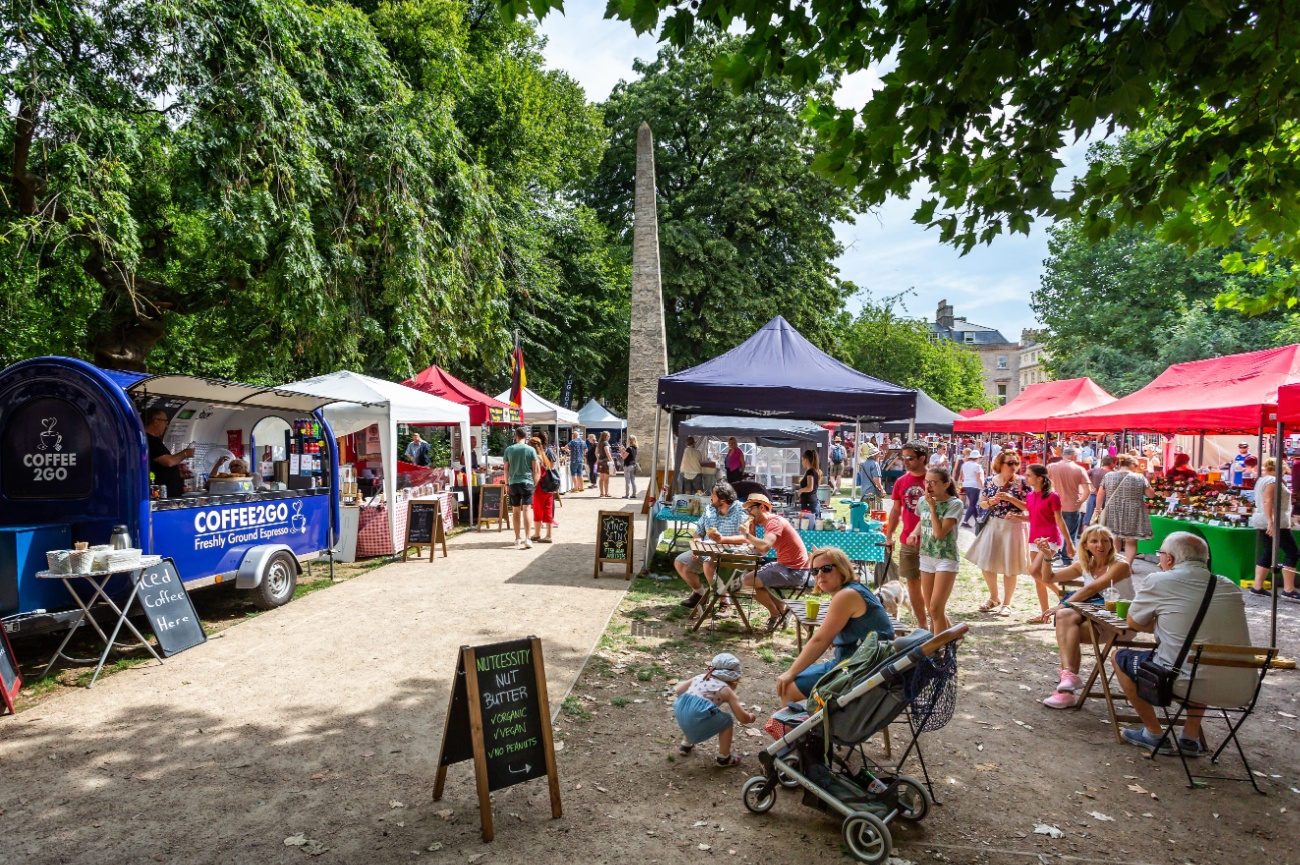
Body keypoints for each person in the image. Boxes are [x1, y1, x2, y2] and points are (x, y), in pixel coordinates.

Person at [1114, 532, 1253, 756]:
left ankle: (1154, 733)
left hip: (1181, 681)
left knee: (1119, 657)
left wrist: (1160, 622)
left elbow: (1134, 621)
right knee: (1201, 653)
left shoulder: (1160, 580)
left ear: (1169, 559)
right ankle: (1189, 737)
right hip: (1242, 686)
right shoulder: (1229, 586)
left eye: (1160, 554)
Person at [775, 547, 895, 703]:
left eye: (826, 568)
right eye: (815, 571)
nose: (820, 575)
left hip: (859, 670)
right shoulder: (854, 590)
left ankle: (807, 726)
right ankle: (811, 723)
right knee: (794, 681)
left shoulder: (846, 595)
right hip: (866, 665)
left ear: (843, 568)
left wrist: (790, 672)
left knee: (788, 689)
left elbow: (820, 640)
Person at [1034, 525, 1134, 709]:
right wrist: (1048, 557)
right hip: (1095, 618)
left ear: (1111, 544)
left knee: (1065, 619)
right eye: (1094, 541)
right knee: (1068, 623)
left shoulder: (1120, 564)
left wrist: (1062, 604)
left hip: (1119, 621)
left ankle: (1066, 686)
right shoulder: (1085, 564)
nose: (1100, 545)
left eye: (1105, 540)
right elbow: (1049, 578)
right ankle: (1068, 682)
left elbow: (1093, 588)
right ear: (1086, 545)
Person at [964, 449, 1030, 617]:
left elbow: (1029, 508)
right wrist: (991, 502)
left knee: (1010, 567)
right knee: (987, 563)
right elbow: (982, 504)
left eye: (1016, 463)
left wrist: (1010, 499)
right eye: (1010, 463)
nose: (1014, 466)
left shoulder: (1023, 482)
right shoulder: (989, 481)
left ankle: (1007, 603)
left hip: (1013, 527)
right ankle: (994, 597)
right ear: (1000, 464)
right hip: (993, 525)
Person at [739, 494, 810, 633]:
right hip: (785, 566)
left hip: (795, 571)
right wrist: (749, 540)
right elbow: (762, 551)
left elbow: (765, 546)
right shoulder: (768, 524)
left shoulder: (774, 522)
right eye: (747, 510)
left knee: (747, 582)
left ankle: (775, 613)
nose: (748, 513)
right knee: (748, 580)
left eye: (751, 509)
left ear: (762, 507)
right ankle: (782, 607)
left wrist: (747, 535)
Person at [905, 468, 963, 634]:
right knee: (932, 610)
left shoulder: (954, 504)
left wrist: (932, 508)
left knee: (936, 608)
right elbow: (922, 521)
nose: (928, 486)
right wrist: (915, 533)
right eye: (926, 481)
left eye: (933, 482)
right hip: (926, 555)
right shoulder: (923, 501)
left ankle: (938, 651)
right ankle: (951, 639)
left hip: (945, 557)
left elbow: (939, 533)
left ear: (945, 484)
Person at [673, 653, 756, 767]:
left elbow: (678, 690)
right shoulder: (725, 690)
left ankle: (686, 744)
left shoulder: (700, 677)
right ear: (734, 678)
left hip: (680, 711)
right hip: (695, 717)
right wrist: (750, 717)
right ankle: (724, 757)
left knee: (696, 712)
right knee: (726, 720)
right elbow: (742, 718)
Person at [675, 481, 747, 609]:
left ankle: (724, 602)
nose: (710, 498)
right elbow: (698, 532)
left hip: (731, 553)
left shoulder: (741, 511)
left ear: (723, 499)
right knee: (681, 562)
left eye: (713, 495)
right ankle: (700, 594)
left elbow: (747, 537)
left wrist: (723, 539)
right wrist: (697, 546)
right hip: (708, 550)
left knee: (708, 564)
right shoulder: (709, 509)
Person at [1024, 464, 1077, 622]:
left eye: (1028, 475)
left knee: (1034, 571)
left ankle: (1063, 595)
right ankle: (1044, 615)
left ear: (1039, 478)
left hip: (1050, 539)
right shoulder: (1030, 495)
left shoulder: (1053, 496)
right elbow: (1031, 516)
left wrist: (1070, 543)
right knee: (1038, 579)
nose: (1025, 478)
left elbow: (1060, 521)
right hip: (1034, 538)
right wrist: (1015, 514)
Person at [885, 441, 929, 627]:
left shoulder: (934, 479)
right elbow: (896, 511)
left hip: (931, 543)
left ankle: (938, 625)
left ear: (922, 458)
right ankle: (922, 626)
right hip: (908, 542)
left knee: (930, 589)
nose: (905, 462)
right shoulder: (901, 481)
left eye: (910, 458)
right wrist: (889, 536)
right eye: (903, 458)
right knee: (913, 586)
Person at [1250, 457, 1300, 600]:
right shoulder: (1273, 481)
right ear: (1281, 467)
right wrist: (1271, 522)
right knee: (1292, 552)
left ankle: (1257, 586)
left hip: (1264, 520)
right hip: (1276, 522)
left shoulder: (1262, 480)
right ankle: (1289, 589)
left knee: (1269, 551)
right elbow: (1268, 501)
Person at [1096, 454, 1154, 565]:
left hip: (1113, 509)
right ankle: (1127, 566)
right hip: (1133, 511)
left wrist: (1098, 509)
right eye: (1136, 466)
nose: (1136, 468)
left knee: (1114, 538)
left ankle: (1115, 564)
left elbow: (1100, 494)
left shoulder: (1109, 476)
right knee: (1130, 540)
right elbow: (1150, 494)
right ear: (1132, 464)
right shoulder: (1139, 478)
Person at [1047, 446, 1090, 564]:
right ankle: (1067, 559)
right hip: (1072, 506)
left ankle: (1048, 556)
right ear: (1074, 456)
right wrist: (1080, 501)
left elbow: (1044, 485)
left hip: (1053, 505)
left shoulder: (1051, 467)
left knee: (1052, 532)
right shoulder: (1079, 469)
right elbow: (1087, 490)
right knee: (1070, 534)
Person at [143, 408, 194, 499]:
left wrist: (178, 473)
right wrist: (186, 453)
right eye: (165, 422)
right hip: (162, 495)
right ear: (156, 422)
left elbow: (161, 467)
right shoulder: (148, 441)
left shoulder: (156, 441)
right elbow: (168, 461)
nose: (166, 426)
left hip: (171, 493)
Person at [503, 427, 538, 550]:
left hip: (513, 483)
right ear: (526, 436)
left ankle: (517, 537)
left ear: (515, 436)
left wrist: (506, 484)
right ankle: (528, 538)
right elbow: (535, 469)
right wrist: (535, 484)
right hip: (527, 482)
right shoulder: (531, 450)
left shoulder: (509, 450)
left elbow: (506, 468)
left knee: (515, 511)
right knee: (527, 510)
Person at [529, 434, 555, 544]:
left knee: (537, 511)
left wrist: (533, 487)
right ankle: (548, 535)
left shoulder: (536, 458)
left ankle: (537, 533)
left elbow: (536, 473)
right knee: (548, 510)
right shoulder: (544, 456)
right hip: (549, 488)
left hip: (540, 488)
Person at [958, 449, 985, 527]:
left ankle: (977, 521)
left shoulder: (964, 464)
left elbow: (962, 476)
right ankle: (965, 521)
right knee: (973, 505)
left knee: (972, 504)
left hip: (966, 485)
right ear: (977, 458)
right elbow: (978, 478)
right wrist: (982, 487)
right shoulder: (977, 466)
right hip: (974, 486)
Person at [1085, 454, 1113, 526]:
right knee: (1103, 520)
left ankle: (1085, 535)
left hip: (1093, 495)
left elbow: (1084, 475)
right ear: (1112, 463)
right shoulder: (1112, 473)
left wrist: (1090, 485)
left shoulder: (1095, 470)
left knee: (1088, 519)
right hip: (1105, 497)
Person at [857, 442, 885, 507]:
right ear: (874, 455)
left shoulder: (863, 464)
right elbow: (876, 479)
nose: (879, 455)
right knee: (875, 512)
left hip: (864, 492)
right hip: (872, 492)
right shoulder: (874, 464)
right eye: (878, 454)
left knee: (865, 512)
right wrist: (882, 489)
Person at [796, 449, 823, 517]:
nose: (802, 462)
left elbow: (810, 488)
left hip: (809, 504)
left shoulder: (810, 472)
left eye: (802, 460)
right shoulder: (814, 471)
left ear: (806, 460)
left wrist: (800, 491)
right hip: (812, 503)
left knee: (808, 525)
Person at [596, 431, 614, 497]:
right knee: (606, 479)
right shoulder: (606, 443)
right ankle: (606, 493)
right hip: (606, 462)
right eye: (608, 436)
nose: (609, 437)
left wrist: (598, 460)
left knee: (601, 478)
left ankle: (601, 493)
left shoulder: (599, 443)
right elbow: (607, 452)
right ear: (605, 436)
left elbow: (597, 453)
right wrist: (612, 461)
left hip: (600, 462)